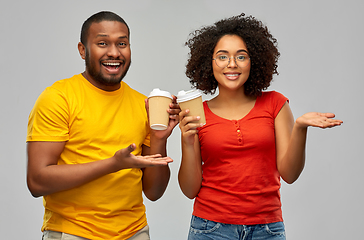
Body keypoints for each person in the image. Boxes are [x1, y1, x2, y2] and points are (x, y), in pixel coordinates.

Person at [178, 13, 343, 240]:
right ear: (210, 62)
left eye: (241, 56)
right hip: (210, 229)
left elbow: (290, 174)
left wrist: (300, 128)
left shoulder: (275, 103)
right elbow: (189, 190)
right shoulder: (198, 113)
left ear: (253, 61)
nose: (232, 64)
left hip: (267, 229)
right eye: (222, 56)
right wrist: (187, 141)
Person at [26, 11, 180, 240]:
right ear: (82, 49)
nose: (114, 52)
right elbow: (37, 182)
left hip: (135, 232)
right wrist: (113, 164)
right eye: (102, 43)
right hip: (73, 232)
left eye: (122, 43)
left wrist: (159, 138)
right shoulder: (58, 98)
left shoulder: (142, 104)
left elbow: (154, 192)